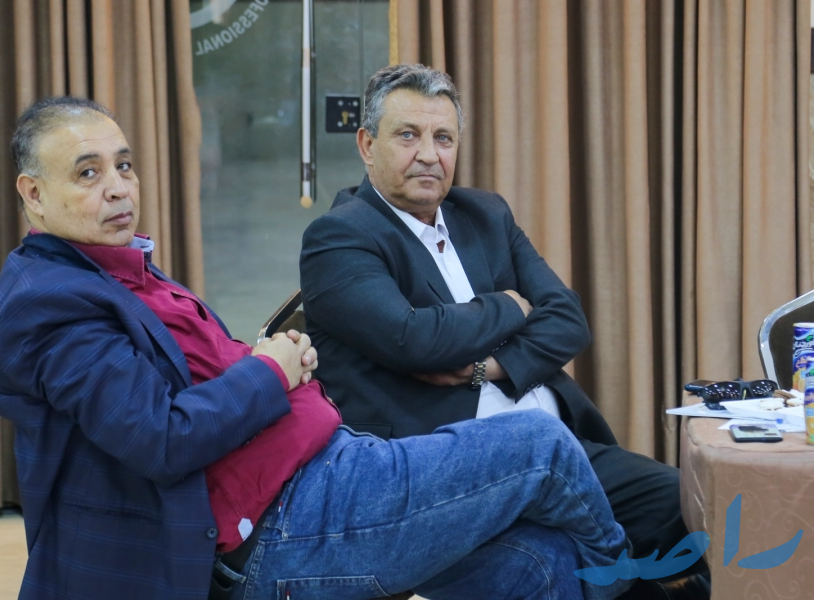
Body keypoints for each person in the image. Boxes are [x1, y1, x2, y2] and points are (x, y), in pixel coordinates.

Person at [0, 96, 632, 600]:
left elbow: (192, 376)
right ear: (33, 193)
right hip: (284, 523)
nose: (119, 187)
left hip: (329, 467)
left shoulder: (120, 269)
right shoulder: (53, 305)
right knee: (540, 446)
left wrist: (267, 358)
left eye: (123, 166)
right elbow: (162, 437)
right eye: (87, 174)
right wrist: (270, 370)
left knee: (541, 561)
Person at [299, 64, 709, 599]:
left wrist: (486, 367)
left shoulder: (485, 215)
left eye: (443, 138)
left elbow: (567, 318)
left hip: (560, 447)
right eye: (408, 135)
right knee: (567, 561)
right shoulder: (339, 237)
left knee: (695, 505)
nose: (429, 155)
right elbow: (414, 339)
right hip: (451, 473)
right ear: (366, 144)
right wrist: (510, 305)